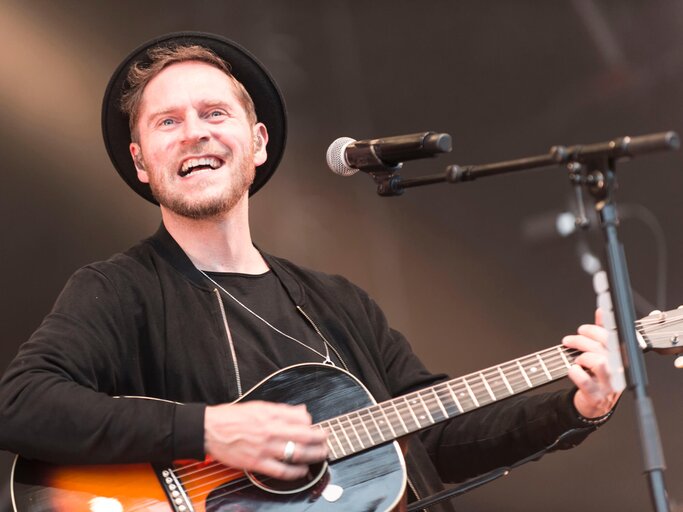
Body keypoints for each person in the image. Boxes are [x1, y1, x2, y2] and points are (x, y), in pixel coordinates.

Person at [0, 32, 619, 511]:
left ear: (259, 141)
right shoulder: (118, 292)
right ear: (141, 162)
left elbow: (431, 444)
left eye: (215, 113)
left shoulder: (338, 304)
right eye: (167, 122)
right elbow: (19, 403)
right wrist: (208, 431)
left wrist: (578, 405)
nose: (194, 134)